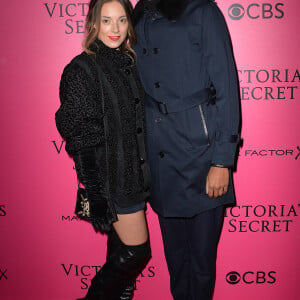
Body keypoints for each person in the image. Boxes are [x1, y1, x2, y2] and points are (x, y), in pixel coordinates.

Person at [133, 0, 240, 299]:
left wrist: (222, 161)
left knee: (202, 262)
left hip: (201, 153)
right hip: (159, 155)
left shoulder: (202, 10)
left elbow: (227, 87)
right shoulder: (139, 10)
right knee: (176, 260)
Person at [55, 0, 151, 299]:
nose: (115, 29)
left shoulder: (128, 62)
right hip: (114, 179)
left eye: (122, 20)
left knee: (121, 260)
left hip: (135, 175)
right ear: (93, 23)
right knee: (136, 253)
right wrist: (96, 193)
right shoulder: (82, 68)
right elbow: (81, 137)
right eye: (107, 20)